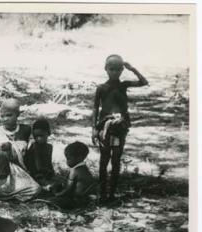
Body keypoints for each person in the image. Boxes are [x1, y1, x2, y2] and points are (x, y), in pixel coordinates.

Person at [91, 55, 148, 202]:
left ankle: (112, 193)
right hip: (104, 127)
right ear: (106, 69)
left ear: (122, 70)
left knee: (116, 160)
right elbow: (96, 108)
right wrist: (94, 128)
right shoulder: (101, 88)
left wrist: (133, 69)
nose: (115, 72)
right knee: (104, 160)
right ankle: (103, 193)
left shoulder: (124, 85)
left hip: (120, 127)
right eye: (111, 69)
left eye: (118, 69)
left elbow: (144, 82)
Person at [0, 98, 41, 202]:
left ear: (17, 114)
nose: (5, 119)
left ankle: (8, 196)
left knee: (35, 189)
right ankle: (0, 193)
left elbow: (31, 151)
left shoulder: (25, 130)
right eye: (2, 116)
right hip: (1, 169)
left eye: (9, 115)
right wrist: (1, 149)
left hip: (20, 170)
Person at [49, 141, 96, 210]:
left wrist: (58, 195)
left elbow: (68, 189)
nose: (67, 162)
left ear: (79, 158)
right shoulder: (83, 168)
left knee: (51, 201)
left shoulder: (75, 171)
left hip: (76, 201)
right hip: (86, 199)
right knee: (56, 186)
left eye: (69, 159)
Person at [24, 117, 55, 187]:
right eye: (35, 136)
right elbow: (38, 167)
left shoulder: (49, 147)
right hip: (34, 173)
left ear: (48, 133)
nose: (38, 139)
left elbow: (49, 163)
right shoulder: (35, 146)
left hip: (45, 172)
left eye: (41, 136)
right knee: (48, 184)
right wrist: (48, 172)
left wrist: (52, 172)